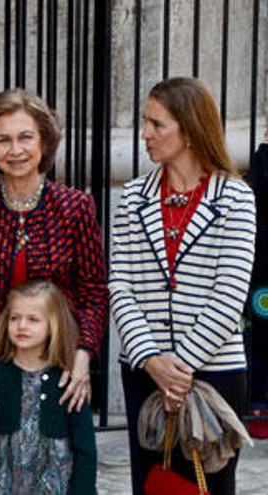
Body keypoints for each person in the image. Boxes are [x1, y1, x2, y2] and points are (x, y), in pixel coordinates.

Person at [0, 88, 108, 493]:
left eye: (25, 137)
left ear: (44, 141)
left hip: (59, 372)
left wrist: (82, 356)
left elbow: (94, 292)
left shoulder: (75, 208)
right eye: (3, 139)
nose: (15, 149)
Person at [109, 77, 255, 495]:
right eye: (144, 122)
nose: (145, 134)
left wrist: (181, 369)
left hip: (215, 372)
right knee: (154, 485)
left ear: (189, 131)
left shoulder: (235, 198)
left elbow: (229, 295)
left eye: (157, 124)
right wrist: (153, 360)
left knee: (208, 487)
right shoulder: (134, 197)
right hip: (145, 373)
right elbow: (120, 286)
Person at [0, 280, 97, 494]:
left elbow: (85, 450)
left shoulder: (68, 380)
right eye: (15, 318)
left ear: (53, 325)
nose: (22, 326)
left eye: (33, 319)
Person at [245, 129, 268, 440]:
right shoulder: (258, 176)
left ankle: (259, 406)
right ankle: (259, 408)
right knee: (260, 340)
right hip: (262, 277)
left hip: (260, 276)